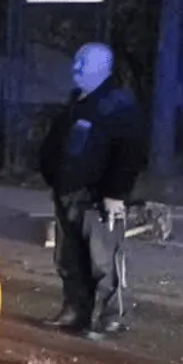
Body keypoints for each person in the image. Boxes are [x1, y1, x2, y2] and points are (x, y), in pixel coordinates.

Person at [37, 42, 146, 340]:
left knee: (104, 260)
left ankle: (110, 318)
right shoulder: (77, 103)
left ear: (104, 68)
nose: (76, 68)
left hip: (98, 197)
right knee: (69, 258)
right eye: (77, 61)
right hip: (68, 193)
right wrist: (54, 177)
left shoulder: (117, 105)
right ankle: (76, 310)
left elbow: (130, 153)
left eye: (84, 63)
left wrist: (116, 193)